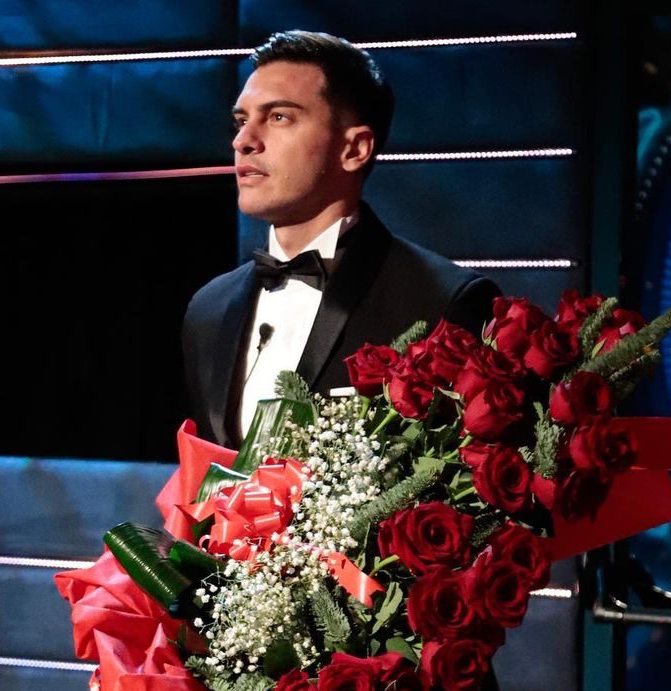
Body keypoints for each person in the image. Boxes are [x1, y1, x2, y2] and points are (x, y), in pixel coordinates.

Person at [182, 30, 500, 449]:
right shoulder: (208, 309)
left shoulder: (444, 302)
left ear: (354, 149)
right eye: (242, 121)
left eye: (279, 117)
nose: (243, 141)